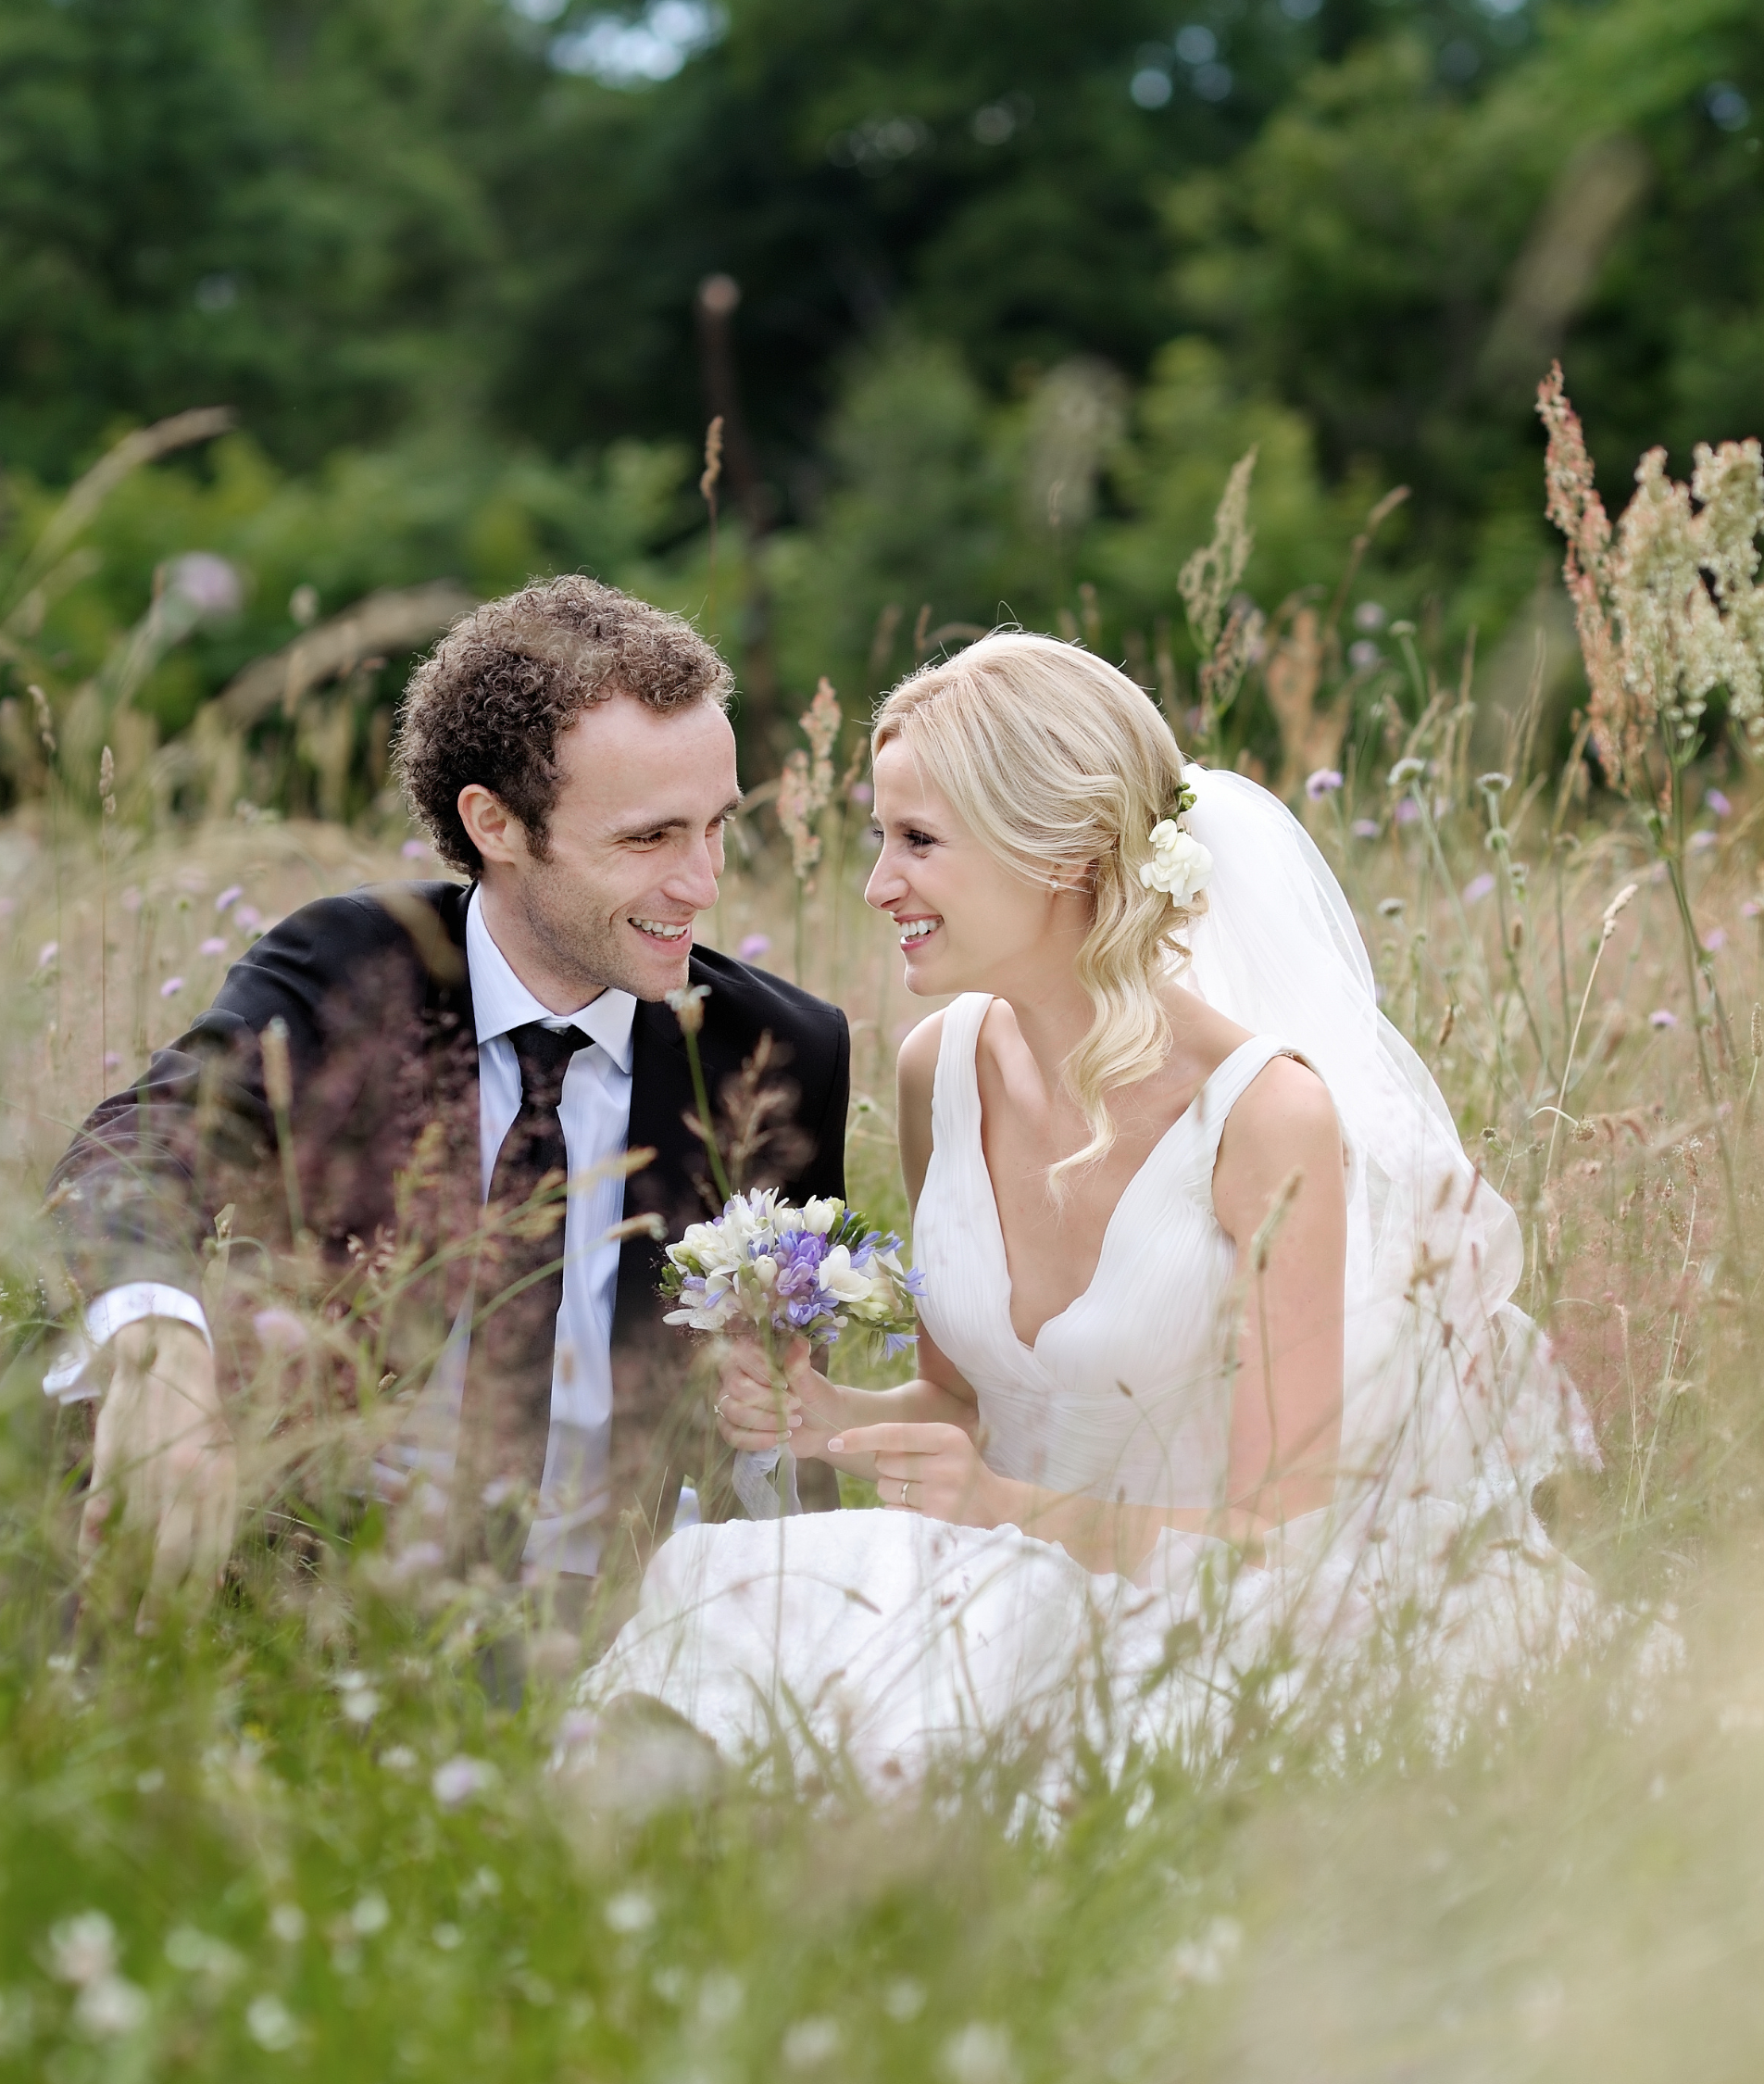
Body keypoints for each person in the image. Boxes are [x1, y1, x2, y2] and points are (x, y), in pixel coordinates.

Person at [581, 633, 1599, 1793]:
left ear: (1062, 852)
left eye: (920, 841)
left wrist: (1006, 1508)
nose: (879, 885)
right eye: (880, 838)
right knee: (726, 1597)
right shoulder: (938, 1069)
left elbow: (1284, 1537)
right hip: (989, 1572)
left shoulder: (1265, 1119)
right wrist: (826, 1417)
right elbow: (963, 1400)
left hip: (1200, 1604)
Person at [46, 575, 853, 1626]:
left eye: (717, 827)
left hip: (623, 1614)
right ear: (496, 824)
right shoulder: (348, 970)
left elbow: (783, 1433)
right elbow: (138, 1147)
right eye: (648, 839)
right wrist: (159, 1342)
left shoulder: (782, 1053)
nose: (702, 883)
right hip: (324, 1594)